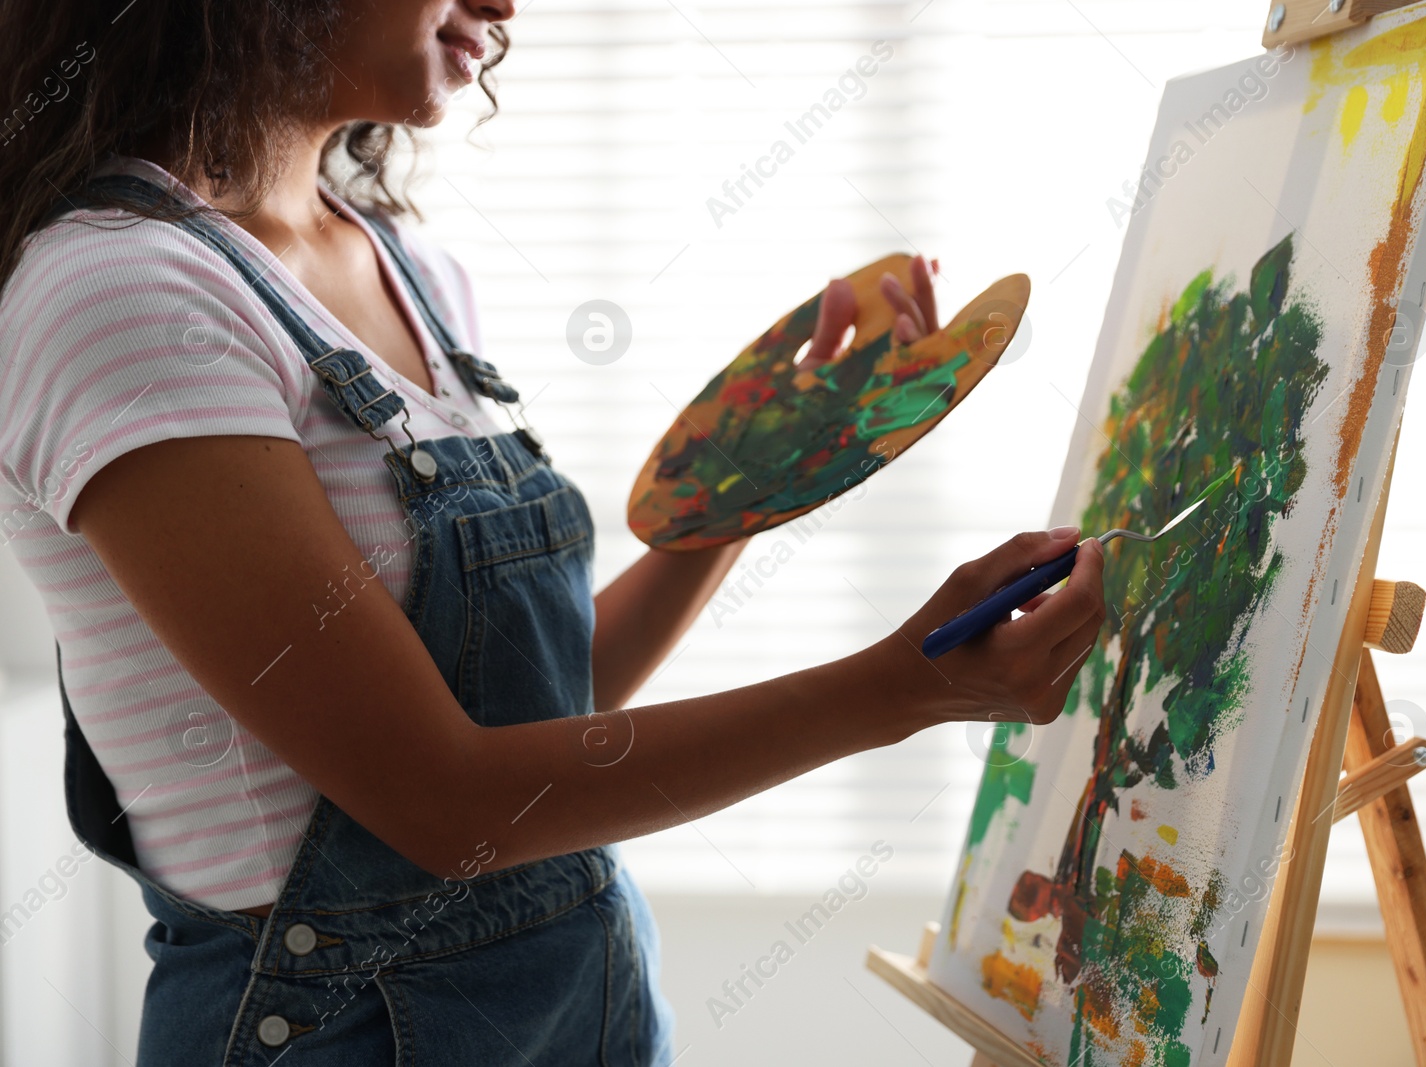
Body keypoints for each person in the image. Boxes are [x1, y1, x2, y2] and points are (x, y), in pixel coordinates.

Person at [0, 1, 1106, 1063]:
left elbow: (542, 700)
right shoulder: (120, 294)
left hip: (588, 1003)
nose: (505, 4)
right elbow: (444, 798)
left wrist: (742, 493)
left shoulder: (409, 268)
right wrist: (902, 688)